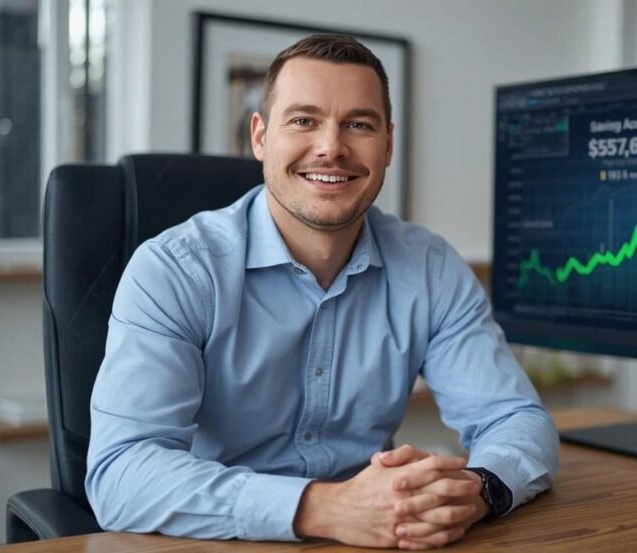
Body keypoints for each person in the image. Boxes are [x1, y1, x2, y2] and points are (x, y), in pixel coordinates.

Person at [85, 34, 558, 550]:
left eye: (359, 124)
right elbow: (121, 474)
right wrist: (324, 508)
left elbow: (516, 419)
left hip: (377, 539)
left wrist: (478, 488)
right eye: (304, 120)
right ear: (260, 137)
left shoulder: (429, 267)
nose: (332, 146)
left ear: (389, 144)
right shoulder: (174, 270)